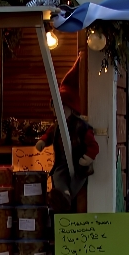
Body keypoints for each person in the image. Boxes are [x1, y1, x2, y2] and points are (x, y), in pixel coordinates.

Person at [35, 54, 98, 211]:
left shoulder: (80, 126)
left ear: (71, 108)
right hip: (62, 161)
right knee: (58, 176)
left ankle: (66, 198)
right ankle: (62, 196)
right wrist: (43, 141)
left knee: (78, 178)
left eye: (62, 108)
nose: (58, 112)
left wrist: (89, 157)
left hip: (79, 161)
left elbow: (92, 144)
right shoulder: (57, 125)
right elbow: (50, 134)